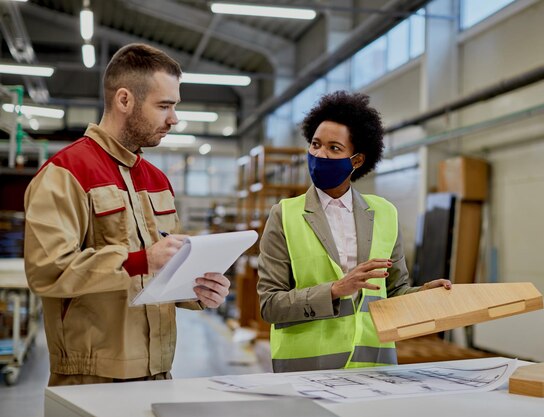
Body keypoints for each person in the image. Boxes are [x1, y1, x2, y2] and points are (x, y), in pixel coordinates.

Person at [23, 43, 230, 386]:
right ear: (124, 100)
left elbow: (165, 269)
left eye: (174, 106)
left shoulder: (157, 180)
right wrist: (139, 261)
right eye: (164, 106)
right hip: (91, 378)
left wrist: (198, 291)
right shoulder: (65, 173)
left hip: (160, 372)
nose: (174, 118)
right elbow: (48, 271)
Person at [257, 91, 452, 373]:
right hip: (308, 368)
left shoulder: (384, 213)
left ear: (357, 160)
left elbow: (394, 292)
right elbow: (270, 305)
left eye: (334, 148)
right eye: (315, 144)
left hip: (374, 367)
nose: (319, 154)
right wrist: (335, 290)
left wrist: (423, 295)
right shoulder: (284, 215)